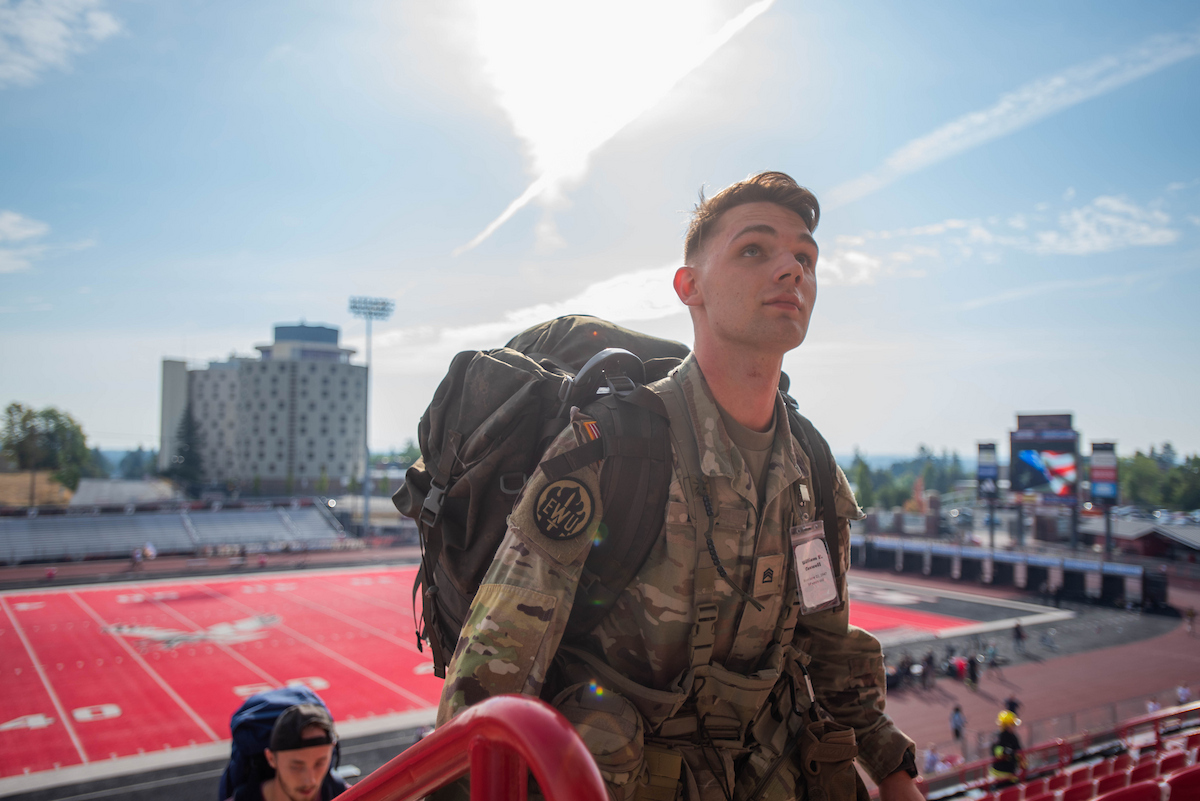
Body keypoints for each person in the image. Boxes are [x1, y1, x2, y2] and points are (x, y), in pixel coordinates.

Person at [436, 172, 920, 800]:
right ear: (689, 286)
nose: (791, 270)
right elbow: (494, 670)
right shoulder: (613, 448)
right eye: (755, 249)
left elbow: (827, 648)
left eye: (805, 256)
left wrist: (893, 769)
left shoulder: (815, 472)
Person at [226, 704, 346, 801]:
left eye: (320, 763)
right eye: (296, 767)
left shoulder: (348, 795)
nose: (310, 780)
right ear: (271, 758)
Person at [988, 711, 1025, 787]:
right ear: (1006, 726)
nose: (1014, 727)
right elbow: (997, 751)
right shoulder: (999, 737)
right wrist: (1010, 752)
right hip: (1000, 776)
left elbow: (1019, 749)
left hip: (1011, 773)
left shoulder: (1013, 736)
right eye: (1012, 725)